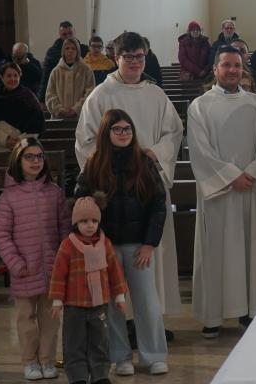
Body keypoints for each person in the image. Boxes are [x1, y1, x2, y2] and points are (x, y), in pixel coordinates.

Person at [75, 32, 183, 322]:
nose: (135, 62)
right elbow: (85, 141)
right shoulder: (101, 95)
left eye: (140, 57)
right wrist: (110, 168)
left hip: (149, 183)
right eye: (128, 57)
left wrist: (155, 153)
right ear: (116, 57)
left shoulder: (156, 94)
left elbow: (174, 132)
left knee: (151, 254)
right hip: (115, 191)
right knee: (118, 259)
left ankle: (152, 319)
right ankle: (125, 322)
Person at [187, 49, 256, 337]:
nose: (232, 70)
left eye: (237, 65)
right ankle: (213, 316)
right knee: (216, 252)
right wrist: (230, 176)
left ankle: (251, 311)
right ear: (215, 69)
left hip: (251, 189)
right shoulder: (200, 106)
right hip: (219, 195)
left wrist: (253, 172)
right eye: (226, 65)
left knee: (252, 249)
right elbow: (199, 150)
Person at [75, 109, 169, 375]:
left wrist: (150, 243)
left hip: (139, 246)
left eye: (127, 129)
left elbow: (158, 205)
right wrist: (93, 241)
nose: (123, 133)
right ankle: (121, 357)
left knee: (147, 302)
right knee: (113, 304)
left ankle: (154, 355)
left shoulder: (144, 161)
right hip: (106, 247)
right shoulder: (94, 163)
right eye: (117, 129)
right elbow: (81, 201)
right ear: (106, 133)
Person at [0, 139, 70, 381]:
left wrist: (62, 261)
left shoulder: (54, 193)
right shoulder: (8, 196)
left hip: (52, 269)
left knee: (50, 319)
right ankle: (30, 361)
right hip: (24, 269)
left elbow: (64, 229)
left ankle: (47, 360)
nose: (35, 161)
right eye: (29, 157)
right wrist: (15, 263)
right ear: (18, 160)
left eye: (39, 156)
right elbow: (2, 235)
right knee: (26, 319)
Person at [49, 195, 127, 384]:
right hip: (74, 305)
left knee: (100, 341)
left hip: (99, 305)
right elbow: (59, 274)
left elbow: (115, 271)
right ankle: (78, 376)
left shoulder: (105, 244)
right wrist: (57, 300)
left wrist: (119, 295)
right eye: (84, 221)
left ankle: (100, 375)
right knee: (74, 343)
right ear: (76, 223)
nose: (90, 225)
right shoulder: (68, 245)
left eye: (94, 221)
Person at [0, 62, 46, 150]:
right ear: (2, 77)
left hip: (24, 146)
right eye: (8, 76)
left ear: (20, 77)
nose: (12, 79)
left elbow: (38, 124)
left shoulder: (29, 97)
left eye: (15, 75)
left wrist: (20, 141)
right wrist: (5, 139)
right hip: (1, 146)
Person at [44, 38, 95, 118]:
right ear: (63, 51)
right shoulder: (56, 71)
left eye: (73, 48)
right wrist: (59, 109)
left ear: (78, 51)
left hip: (80, 117)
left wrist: (76, 109)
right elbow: (50, 94)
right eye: (67, 48)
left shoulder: (86, 70)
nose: (70, 51)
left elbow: (90, 93)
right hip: (59, 117)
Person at [39, 22, 90, 100]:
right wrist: (42, 98)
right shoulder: (53, 52)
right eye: (64, 34)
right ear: (60, 34)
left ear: (74, 32)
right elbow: (46, 75)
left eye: (70, 33)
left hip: (80, 93)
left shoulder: (84, 50)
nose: (68, 36)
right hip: (61, 93)